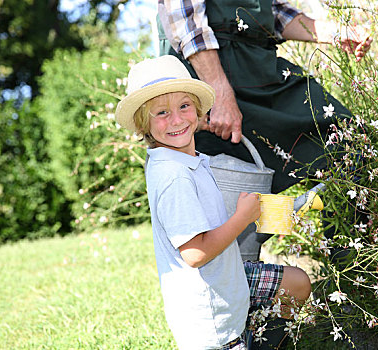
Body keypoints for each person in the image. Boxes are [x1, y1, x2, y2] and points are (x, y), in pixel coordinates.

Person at [115, 55, 311, 350]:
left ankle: (268, 337)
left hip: (226, 277)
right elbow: (194, 253)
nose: (177, 119)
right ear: (143, 123)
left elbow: (176, 130)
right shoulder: (174, 177)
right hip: (210, 315)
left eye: (184, 106)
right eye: (162, 113)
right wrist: (243, 219)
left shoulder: (180, 159)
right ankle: (254, 338)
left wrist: (195, 127)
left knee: (296, 283)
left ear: (197, 109)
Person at [156, 0, 372, 194]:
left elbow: (273, 12)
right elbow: (186, 23)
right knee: (215, 190)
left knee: (349, 140)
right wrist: (219, 96)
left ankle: (346, 237)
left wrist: (336, 33)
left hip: (260, 67)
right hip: (206, 72)